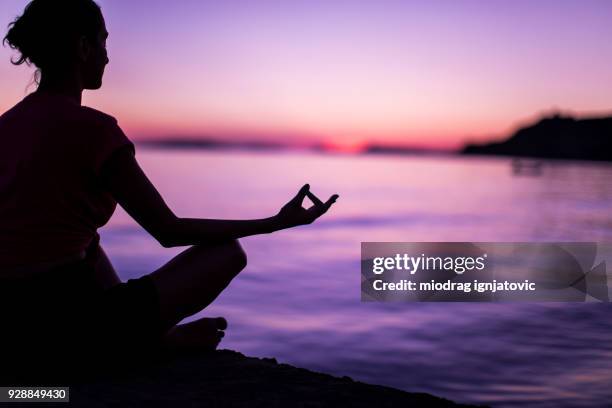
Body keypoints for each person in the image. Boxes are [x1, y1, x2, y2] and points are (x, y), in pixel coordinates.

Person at [0, 0, 338, 380]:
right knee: (226, 252)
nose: (108, 57)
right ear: (82, 47)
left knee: (87, 242)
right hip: (70, 327)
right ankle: (151, 343)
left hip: (12, 322)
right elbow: (168, 230)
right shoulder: (94, 130)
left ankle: (146, 338)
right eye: (104, 42)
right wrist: (275, 222)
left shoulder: (6, 126)